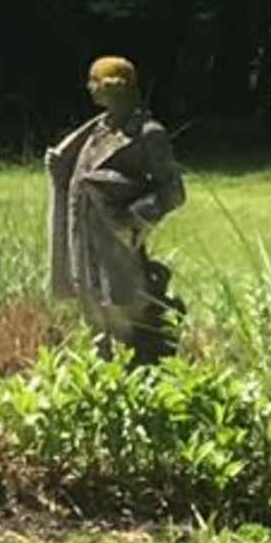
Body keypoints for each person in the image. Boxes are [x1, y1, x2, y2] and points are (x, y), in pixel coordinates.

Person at [45, 55, 187, 353]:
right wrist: (60, 168)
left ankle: (134, 365)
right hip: (82, 235)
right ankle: (101, 367)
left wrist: (134, 220)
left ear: (113, 87)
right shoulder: (97, 128)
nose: (89, 87)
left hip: (115, 241)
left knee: (123, 309)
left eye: (94, 82)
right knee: (89, 303)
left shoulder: (148, 133)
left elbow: (173, 190)